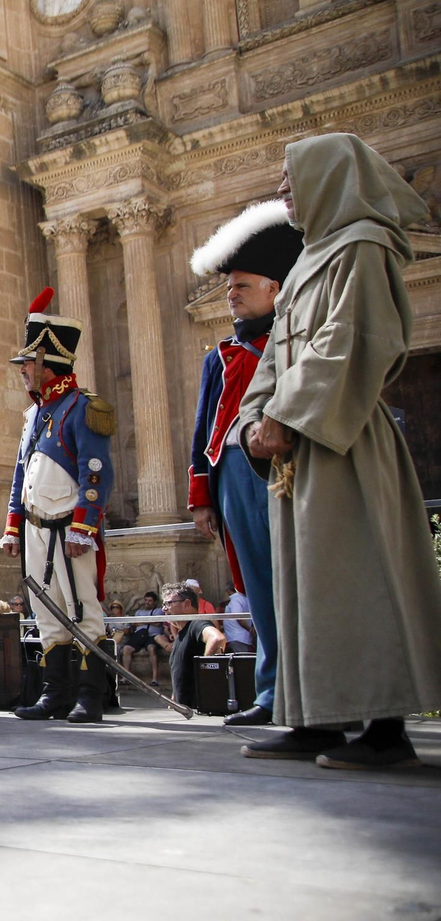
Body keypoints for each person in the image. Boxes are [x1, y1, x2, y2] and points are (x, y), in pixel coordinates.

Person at [239, 133, 441, 768]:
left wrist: (286, 416)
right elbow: (274, 355)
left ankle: (386, 730)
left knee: (361, 574)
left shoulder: (364, 247)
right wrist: (254, 420)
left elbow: (355, 340)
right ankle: (317, 719)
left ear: (328, 178)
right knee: (307, 583)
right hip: (299, 448)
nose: (281, 192)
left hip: (345, 437)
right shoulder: (307, 261)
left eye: (290, 180)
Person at [187, 198, 301, 725]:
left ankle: (306, 693)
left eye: (241, 286)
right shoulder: (220, 356)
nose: (229, 295)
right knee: (255, 587)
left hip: (281, 470)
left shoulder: (292, 342)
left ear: (274, 288)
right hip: (231, 474)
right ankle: (271, 693)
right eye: (229, 286)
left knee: (296, 582)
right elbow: (203, 429)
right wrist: (202, 498)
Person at [2, 286, 117, 724]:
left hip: (70, 529)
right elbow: (22, 473)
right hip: (34, 528)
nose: (23, 372)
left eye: (28, 364)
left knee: (83, 608)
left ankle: (90, 696)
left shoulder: (84, 408)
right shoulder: (35, 415)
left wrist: (83, 528)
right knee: (46, 612)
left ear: (50, 364)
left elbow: (95, 474)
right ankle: (55, 693)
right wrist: (13, 526)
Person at [162, 583, 229, 707]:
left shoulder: (197, 624)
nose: (164, 609)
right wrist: (174, 700)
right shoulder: (181, 635)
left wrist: (204, 670)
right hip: (186, 713)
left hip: (199, 710)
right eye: (164, 604)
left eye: (169, 604)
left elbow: (217, 639)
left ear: (187, 604)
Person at [222, 586, 255, 651]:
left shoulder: (236, 599)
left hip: (237, 638)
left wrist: (249, 628)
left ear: (229, 590)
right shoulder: (244, 598)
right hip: (239, 638)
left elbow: (238, 616)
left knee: (241, 660)